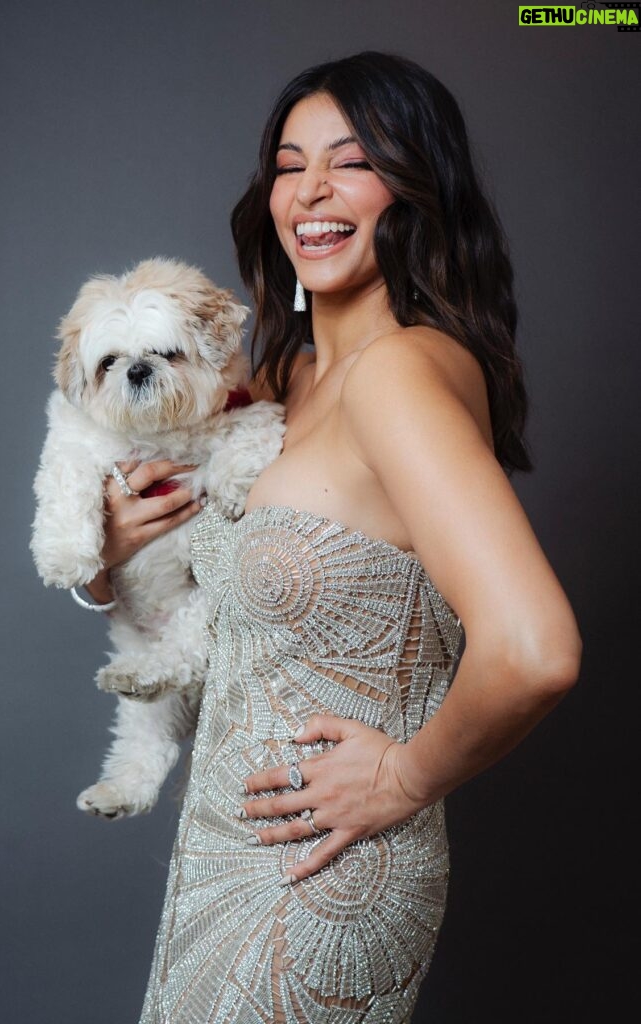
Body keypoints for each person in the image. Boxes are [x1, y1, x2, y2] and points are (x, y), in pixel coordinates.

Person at [81, 51, 582, 1022]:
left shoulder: (399, 373)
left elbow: (536, 649)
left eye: (350, 161)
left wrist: (405, 773)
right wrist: (100, 564)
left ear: (415, 185)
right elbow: (178, 579)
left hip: (326, 871)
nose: (309, 190)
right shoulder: (286, 379)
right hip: (224, 850)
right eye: (288, 162)